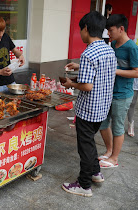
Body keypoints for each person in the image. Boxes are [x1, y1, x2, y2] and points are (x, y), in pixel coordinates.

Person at [61, 11, 117, 197]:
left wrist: (70, 84)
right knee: (90, 142)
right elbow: (99, 76)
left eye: (81, 30)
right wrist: (79, 69)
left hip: (88, 109)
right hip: (102, 107)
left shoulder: (88, 53)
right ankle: (95, 172)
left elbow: (87, 85)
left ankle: (83, 185)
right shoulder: (108, 49)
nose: (81, 33)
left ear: (85, 28)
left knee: (84, 146)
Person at [98, 14, 138, 168]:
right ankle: (109, 151)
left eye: (111, 30)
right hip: (110, 92)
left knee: (118, 126)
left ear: (121, 29)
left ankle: (114, 158)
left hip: (123, 94)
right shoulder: (114, 44)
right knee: (102, 122)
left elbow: (136, 72)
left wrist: (116, 71)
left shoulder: (132, 48)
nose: (109, 34)